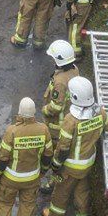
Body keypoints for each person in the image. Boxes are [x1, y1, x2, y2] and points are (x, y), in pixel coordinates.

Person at [43, 76, 108, 216]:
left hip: (70, 166)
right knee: (82, 193)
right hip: (87, 164)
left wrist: (56, 164)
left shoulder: (71, 120)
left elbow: (63, 147)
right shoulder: (100, 112)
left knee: (61, 191)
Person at [39, 41, 80, 193]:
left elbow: (56, 106)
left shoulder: (60, 81)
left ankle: (53, 182)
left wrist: (45, 110)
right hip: (69, 117)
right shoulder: (74, 70)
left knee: (57, 157)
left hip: (57, 125)